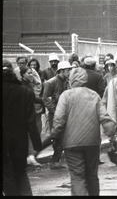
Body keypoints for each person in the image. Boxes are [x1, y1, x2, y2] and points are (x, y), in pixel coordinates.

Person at [51, 67, 115, 196]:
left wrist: (54, 135)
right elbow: (105, 117)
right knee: (92, 175)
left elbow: (59, 119)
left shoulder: (66, 96)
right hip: (92, 141)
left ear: (71, 81)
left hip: (71, 142)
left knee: (77, 176)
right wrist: (111, 133)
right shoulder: (94, 95)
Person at [3, 60, 42, 196]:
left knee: (7, 174)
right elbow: (31, 121)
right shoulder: (25, 92)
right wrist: (37, 143)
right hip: (20, 141)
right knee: (20, 172)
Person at [42, 61, 73, 169]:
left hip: (65, 113)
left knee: (62, 136)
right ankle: (53, 160)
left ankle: (56, 159)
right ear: (62, 71)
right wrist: (54, 110)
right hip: (54, 114)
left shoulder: (67, 82)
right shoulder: (51, 82)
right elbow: (45, 98)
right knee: (55, 137)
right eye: (68, 70)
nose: (70, 72)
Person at [20, 66, 44, 166]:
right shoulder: (22, 85)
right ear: (23, 74)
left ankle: (30, 155)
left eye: (31, 73)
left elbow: (33, 98)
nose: (31, 75)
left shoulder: (29, 84)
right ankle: (30, 156)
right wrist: (44, 100)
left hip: (30, 111)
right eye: (28, 73)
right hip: (25, 113)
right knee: (28, 135)